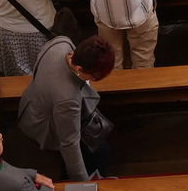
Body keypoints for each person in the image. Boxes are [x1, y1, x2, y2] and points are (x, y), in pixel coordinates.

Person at [18, 34, 116, 180]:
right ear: (79, 68)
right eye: (95, 77)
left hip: (32, 102)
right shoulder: (67, 99)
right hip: (45, 124)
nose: (95, 80)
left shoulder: (61, 43)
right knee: (100, 151)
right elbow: (69, 143)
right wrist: (81, 182)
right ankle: (66, 179)